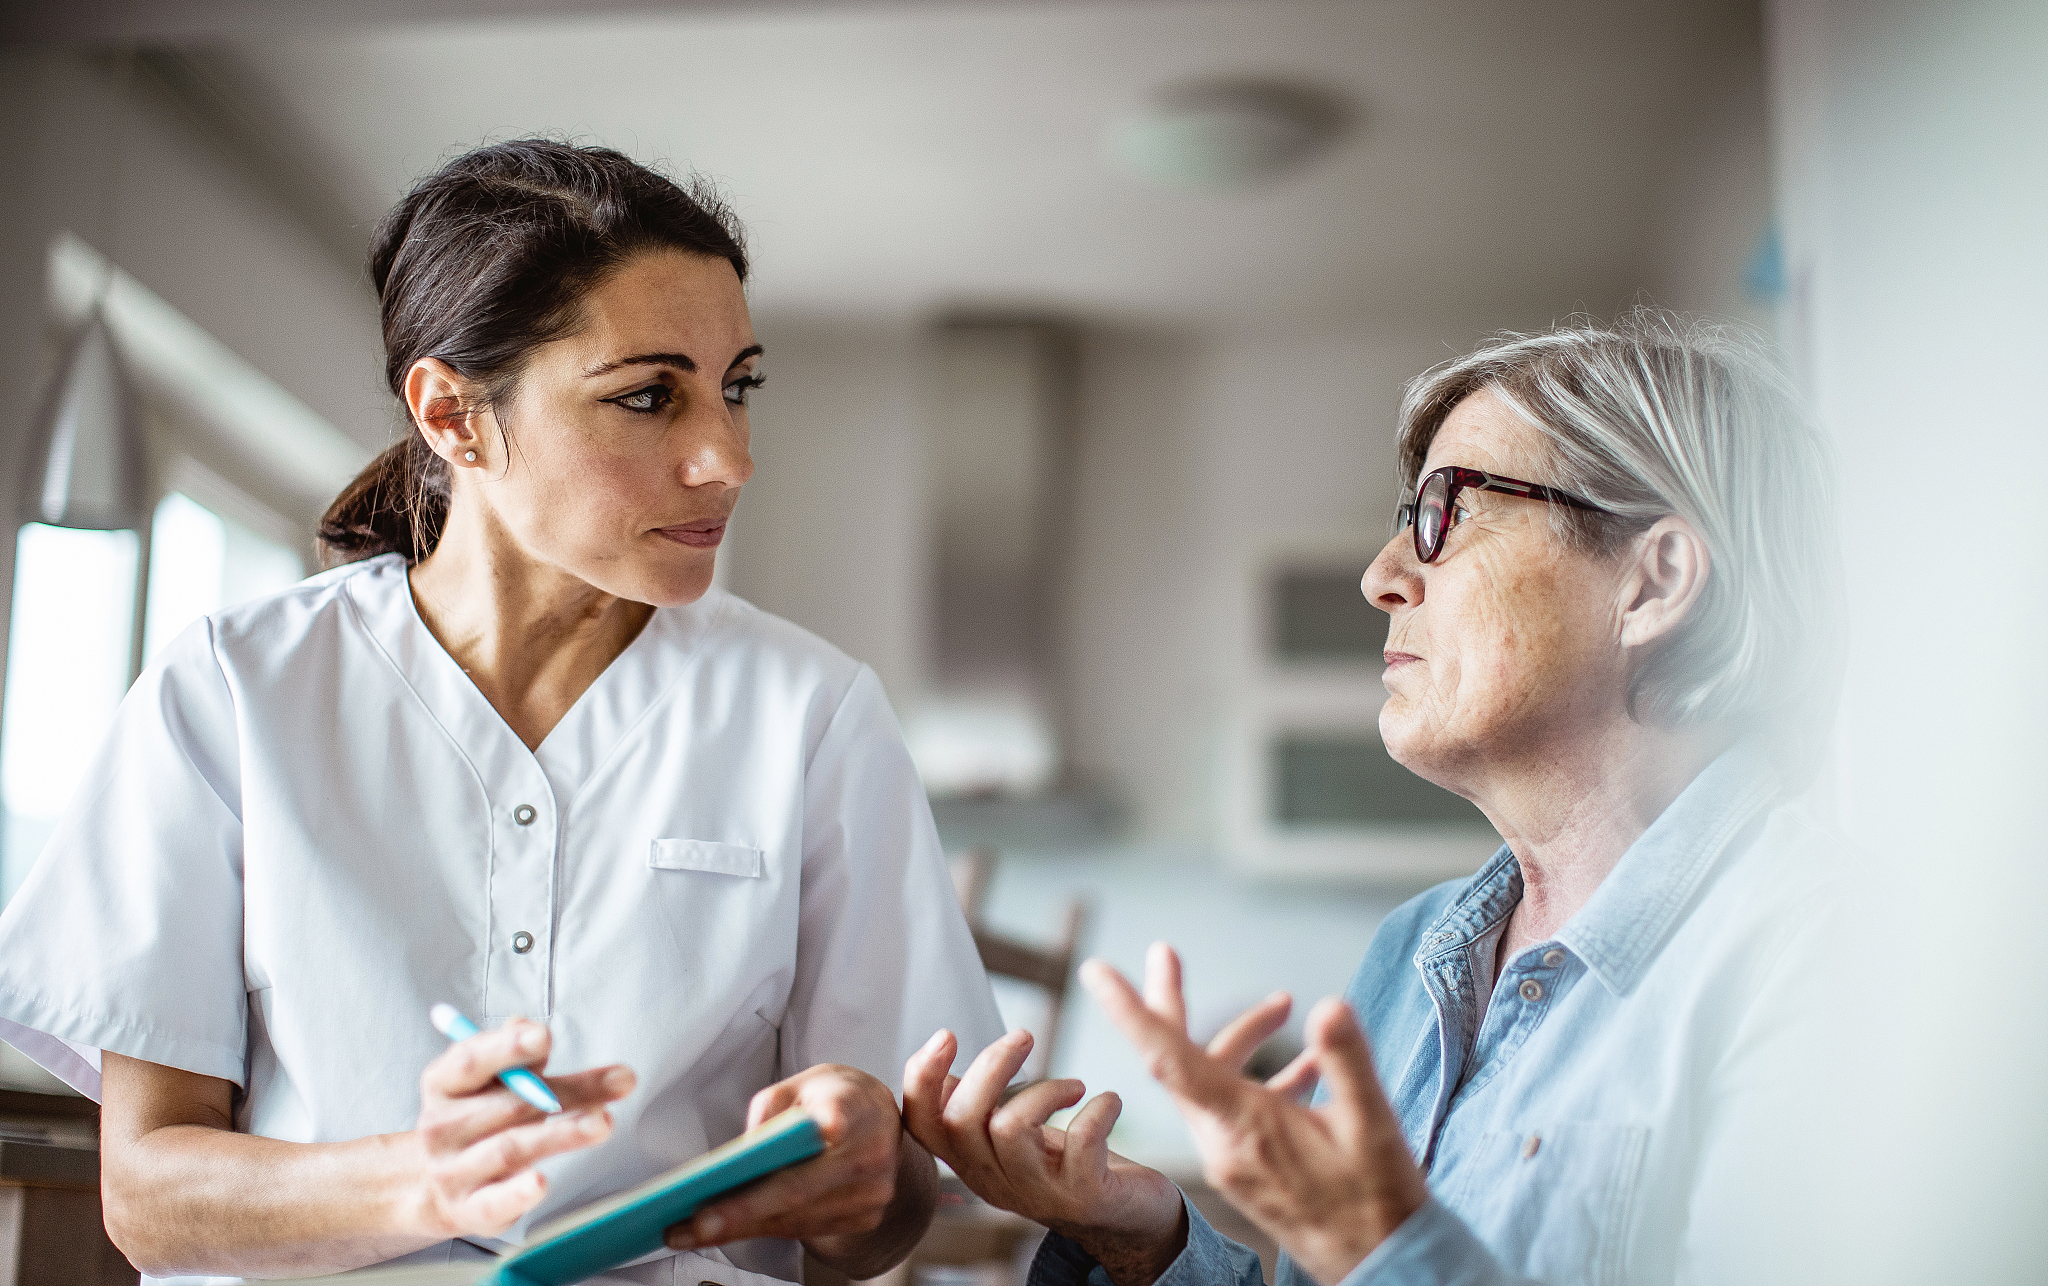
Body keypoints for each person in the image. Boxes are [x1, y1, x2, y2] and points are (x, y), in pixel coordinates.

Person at [0, 141, 1004, 1286]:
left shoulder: (811, 714)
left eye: (737, 387)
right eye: (646, 395)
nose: (727, 456)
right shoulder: (234, 688)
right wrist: (421, 1178)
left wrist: (869, 1176)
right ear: (452, 415)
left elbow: (887, 1215)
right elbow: (149, 1199)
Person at [900, 313, 1852, 1286]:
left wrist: (1379, 1242)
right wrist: (1141, 1236)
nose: (1381, 574)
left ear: (1652, 581)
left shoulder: (1826, 952)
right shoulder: (1413, 950)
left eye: (1446, 511)